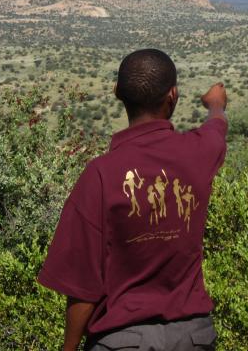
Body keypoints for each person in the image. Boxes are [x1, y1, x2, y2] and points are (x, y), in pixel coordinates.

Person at [37, 48, 228, 351]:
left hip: (123, 341)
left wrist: (69, 348)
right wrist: (216, 104)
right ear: (173, 95)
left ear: (117, 93)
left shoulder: (100, 174)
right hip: (193, 337)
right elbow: (216, 129)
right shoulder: (198, 153)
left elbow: (84, 285)